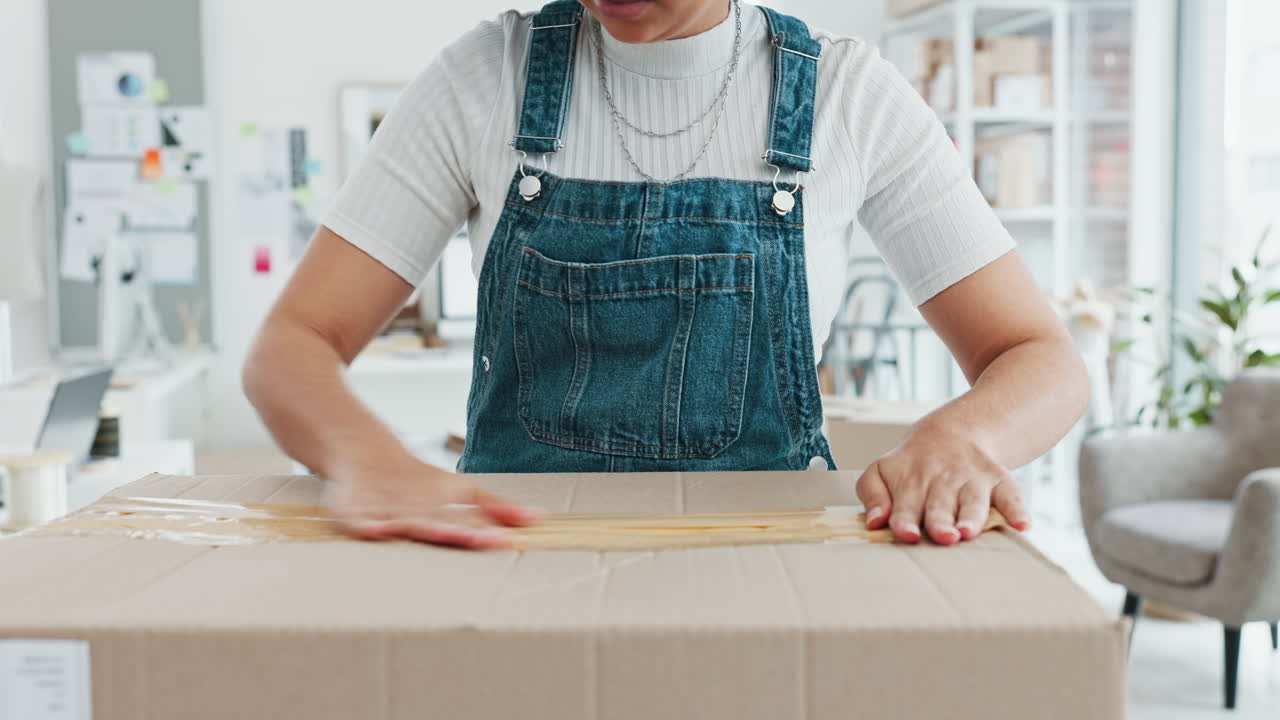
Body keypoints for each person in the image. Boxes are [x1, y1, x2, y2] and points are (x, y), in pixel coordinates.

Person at [243, 0, 1088, 550]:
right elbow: (290, 345)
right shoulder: (483, 79)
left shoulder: (846, 95)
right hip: (517, 571)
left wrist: (962, 439)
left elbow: (1040, 357)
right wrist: (363, 454)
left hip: (772, 579)